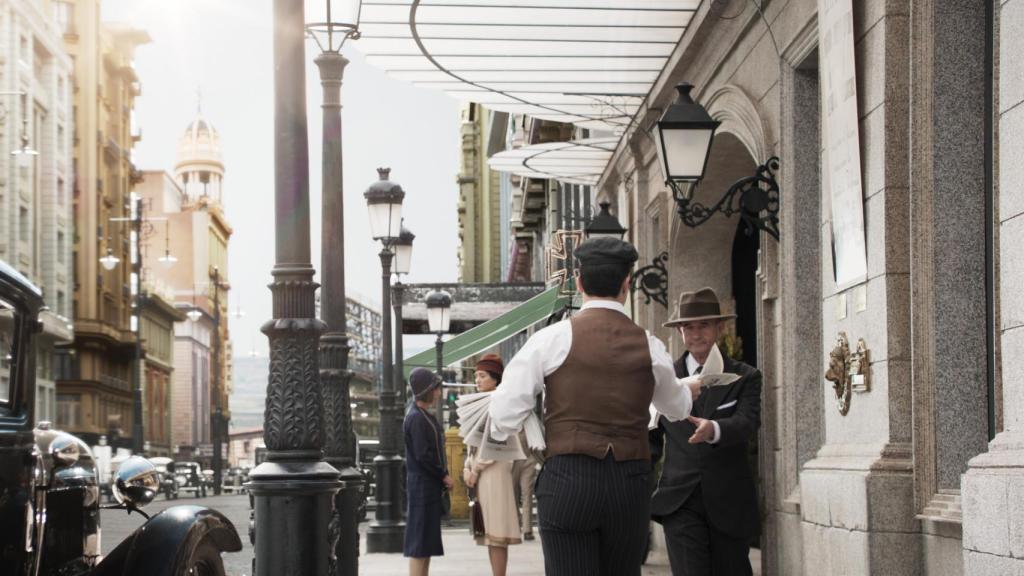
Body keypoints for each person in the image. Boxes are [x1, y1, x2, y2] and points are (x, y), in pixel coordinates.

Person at [489, 237, 703, 576]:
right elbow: (676, 408)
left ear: (579, 282)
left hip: (568, 479)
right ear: (627, 284)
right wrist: (689, 388)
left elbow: (502, 416)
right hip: (629, 482)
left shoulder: (550, 340)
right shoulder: (649, 345)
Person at [650, 287, 762, 576]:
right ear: (679, 331)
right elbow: (648, 439)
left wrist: (713, 429)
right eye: (688, 326)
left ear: (719, 327)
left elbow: (748, 422)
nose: (696, 333)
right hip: (680, 501)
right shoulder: (664, 380)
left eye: (704, 325)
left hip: (729, 499)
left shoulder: (746, 376)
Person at [463, 354, 522, 576]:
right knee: (489, 533)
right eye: (476, 376)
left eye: (482, 376)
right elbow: (472, 443)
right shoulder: (480, 402)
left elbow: (496, 443)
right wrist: (467, 468)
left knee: (497, 532)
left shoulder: (500, 403)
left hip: (494, 472)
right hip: (481, 473)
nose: (477, 380)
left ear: (495, 379)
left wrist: (475, 470)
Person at [404, 367, 455, 576]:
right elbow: (423, 455)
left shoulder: (422, 415)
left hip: (426, 486)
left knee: (424, 543)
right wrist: (443, 474)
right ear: (427, 390)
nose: (439, 392)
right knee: (419, 543)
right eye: (435, 388)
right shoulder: (417, 417)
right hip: (422, 486)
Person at [510, 428, 540, 541]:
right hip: (512, 462)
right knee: (512, 496)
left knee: (527, 495)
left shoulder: (530, 421)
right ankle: (516, 526)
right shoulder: (508, 421)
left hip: (528, 461)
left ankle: (527, 530)